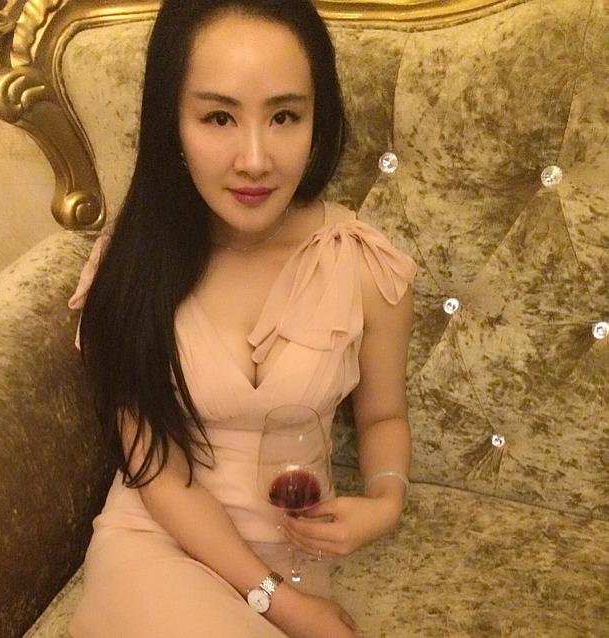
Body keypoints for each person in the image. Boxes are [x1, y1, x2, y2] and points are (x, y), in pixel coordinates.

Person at [67, 0, 417, 636]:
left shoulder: (362, 265)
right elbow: (158, 474)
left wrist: (385, 501)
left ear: (317, 120)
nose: (255, 160)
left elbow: (383, 415)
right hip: (158, 543)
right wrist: (281, 605)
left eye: (284, 116)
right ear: (172, 123)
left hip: (297, 545)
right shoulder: (132, 270)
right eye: (219, 117)